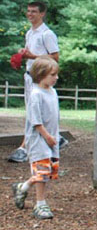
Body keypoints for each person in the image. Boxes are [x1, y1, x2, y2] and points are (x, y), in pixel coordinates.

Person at [8, 2, 60, 163]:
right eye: (28, 11)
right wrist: (23, 54)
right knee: (31, 110)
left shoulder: (47, 34)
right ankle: (40, 142)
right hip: (29, 76)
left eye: (34, 12)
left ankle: (25, 147)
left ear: (42, 14)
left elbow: (55, 57)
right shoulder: (30, 33)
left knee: (36, 111)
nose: (30, 14)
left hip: (41, 78)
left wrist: (32, 56)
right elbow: (32, 53)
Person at [11, 56, 61, 219]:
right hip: (39, 139)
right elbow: (36, 120)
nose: (56, 78)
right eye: (52, 75)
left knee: (46, 171)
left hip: (51, 138)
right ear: (41, 75)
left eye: (56, 74)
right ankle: (40, 204)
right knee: (42, 170)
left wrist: (54, 136)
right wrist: (47, 136)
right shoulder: (36, 94)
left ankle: (22, 187)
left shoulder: (52, 92)